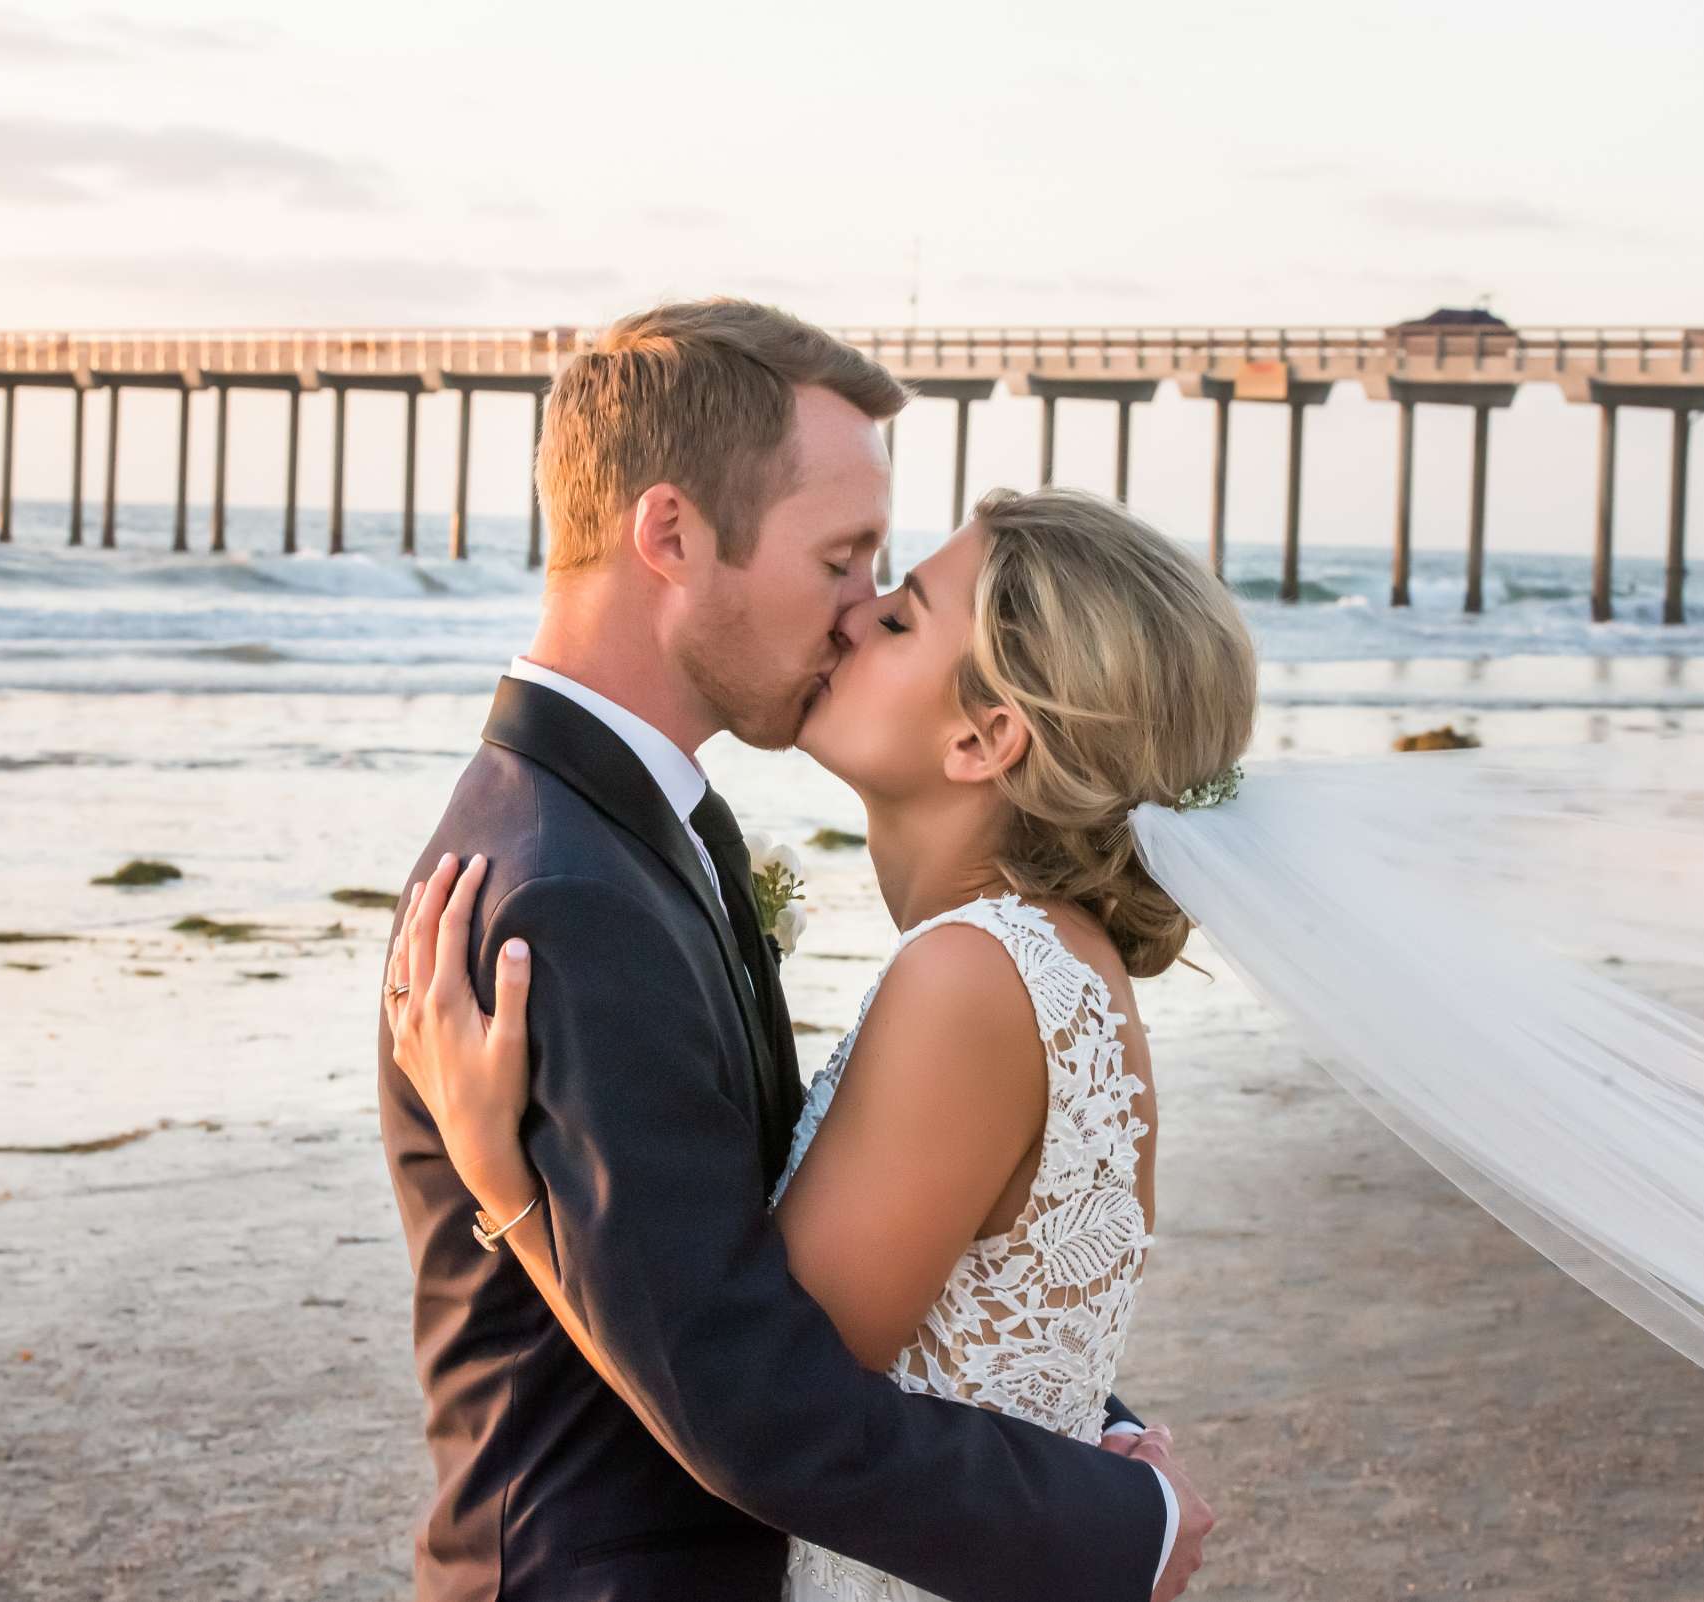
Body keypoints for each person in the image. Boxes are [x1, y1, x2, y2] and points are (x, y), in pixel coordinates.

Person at [374, 299, 1229, 1602]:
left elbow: (820, 1315)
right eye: (845, 559)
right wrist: (1108, 1506)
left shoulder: (684, 831)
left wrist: (1073, 1429)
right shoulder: (560, 886)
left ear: (988, 737)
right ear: (669, 535)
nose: (854, 609)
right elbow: (756, 1387)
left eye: (886, 592)